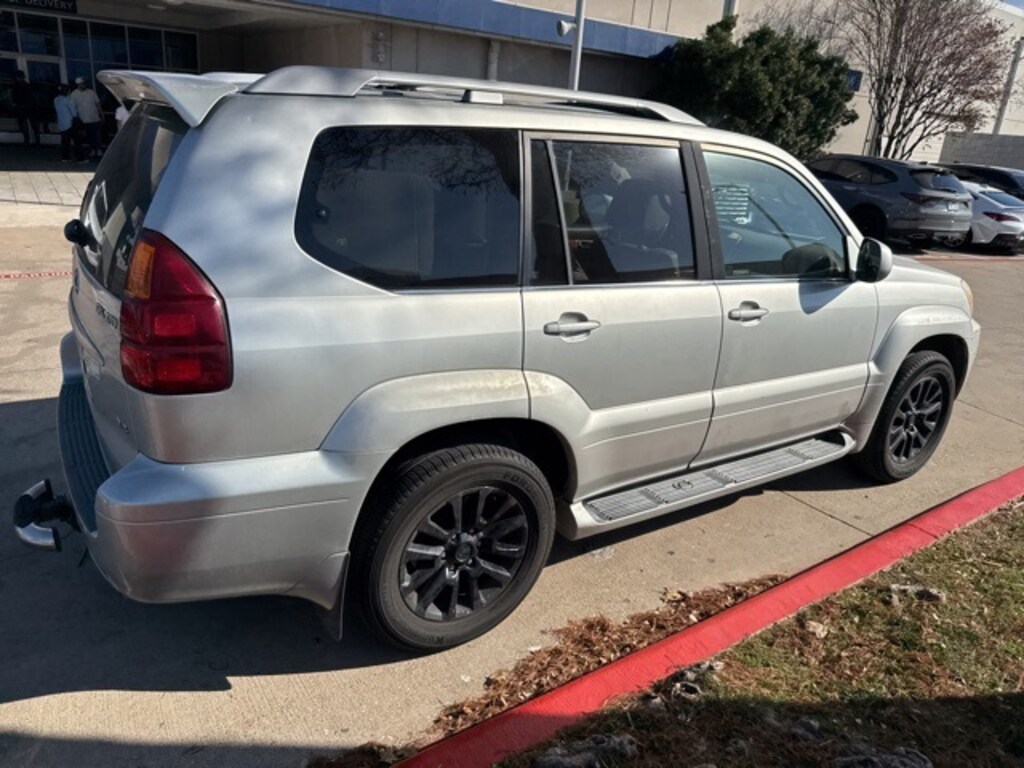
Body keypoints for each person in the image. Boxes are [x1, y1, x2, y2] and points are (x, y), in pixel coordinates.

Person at [70, 76, 103, 161]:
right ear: (78, 84)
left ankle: (98, 150)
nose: (83, 85)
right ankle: (92, 150)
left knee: (97, 135)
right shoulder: (74, 94)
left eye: (84, 83)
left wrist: (101, 114)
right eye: (81, 84)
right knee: (89, 136)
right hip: (83, 120)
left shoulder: (91, 92)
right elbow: (73, 108)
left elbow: (98, 103)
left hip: (95, 118)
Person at [12, 71, 41, 145]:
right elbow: (33, 97)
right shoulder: (28, 86)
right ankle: (37, 140)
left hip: (22, 107)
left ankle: (27, 140)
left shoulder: (16, 86)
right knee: (34, 124)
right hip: (31, 107)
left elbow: (14, 98)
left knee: (24, 124)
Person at [53, 84, 78, 162]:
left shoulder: (56, 99)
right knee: (77, 141)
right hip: (70, 123)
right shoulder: (68, 100)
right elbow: (74, 113)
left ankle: (65, 157)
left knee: (64, 141)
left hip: (61, 123)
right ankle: (79, 157)